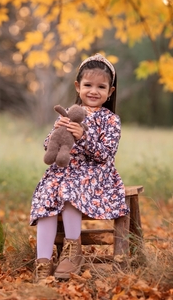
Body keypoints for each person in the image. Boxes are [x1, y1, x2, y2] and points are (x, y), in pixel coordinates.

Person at [30, 53, 129, 282]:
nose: (93, 91)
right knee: (46, 195)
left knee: (69, 191)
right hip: (64, 170)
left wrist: (83, 137)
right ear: (78, 86)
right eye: (88, 85)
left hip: (95, 173)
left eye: (101, 87)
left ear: (110, 92)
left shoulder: (110, 120)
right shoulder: (68, 114)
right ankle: (43, 261)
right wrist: (57, 133)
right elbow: (50, 144)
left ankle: (73, 252)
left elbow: (106, 155)